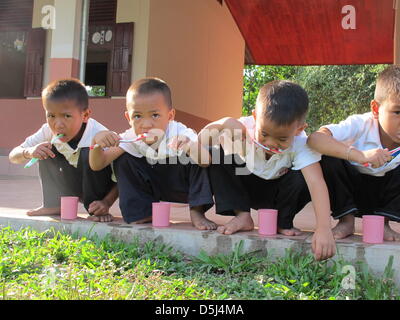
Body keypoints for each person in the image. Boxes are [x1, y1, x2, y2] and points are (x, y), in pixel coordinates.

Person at [198, 80, 336, 261]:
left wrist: (323, 228)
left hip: (279, 195)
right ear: (255, 117)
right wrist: (223, 123)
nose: (270, 143)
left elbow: (316, 183)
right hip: (246, 186)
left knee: (310, 172)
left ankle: (282, 221)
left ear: (299, 129)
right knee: (217, 151)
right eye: (264, 134)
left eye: (281, 139)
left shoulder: (301, 144)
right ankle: (242, 215)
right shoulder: (244, 127)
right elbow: (201, 141)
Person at [88, 77, 216, 230]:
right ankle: (141, 212)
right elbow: (98, 164)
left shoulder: (179, 131)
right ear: (128, 118)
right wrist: (96, 144)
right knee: (124, 159)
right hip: (153, 186)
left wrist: (189, 146)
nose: (146, 124)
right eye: (138, 116)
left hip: (182, 187)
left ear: (170, 116)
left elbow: (205, 161)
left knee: (198, 153)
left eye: (155, 115)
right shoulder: (130, 137)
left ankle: (197, 211)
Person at [307, 65, 400, 241]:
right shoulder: (360, 124)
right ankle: (346, 220)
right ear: (375, 109)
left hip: (382, 196)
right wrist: (360, 156)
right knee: (328, 156)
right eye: (397, 112)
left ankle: (382, 223)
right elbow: (315, 139)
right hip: (352, 192)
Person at [9, 78, 117, 222]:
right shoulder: (47, 131)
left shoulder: (99, 134)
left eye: (66, 116)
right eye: (51, 116)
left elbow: (122, 177)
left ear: (85, 115)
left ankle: (96, 208)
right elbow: (13, 155)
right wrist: (29, 152)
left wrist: (107, 202)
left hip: (98, 188)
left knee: (89, 152)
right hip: (72, 184)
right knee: (45, 149)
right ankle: (54, 204)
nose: (58, 124)